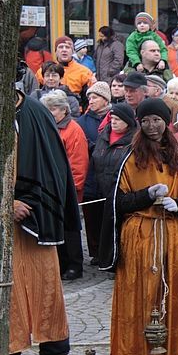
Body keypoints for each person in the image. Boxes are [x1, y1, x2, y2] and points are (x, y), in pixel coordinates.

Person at [99, 98, 178, 355]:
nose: (151, 126)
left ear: (166, 122)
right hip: (140, 236)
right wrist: (146, 195)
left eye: (156, 120)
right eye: (145, 121)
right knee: (140, 296)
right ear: (139, 124)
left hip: (173, 235)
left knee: (171, 298)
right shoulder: (129, 157)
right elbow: (116, 203)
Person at [10, 92, 83, 355]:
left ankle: (55, 352)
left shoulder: (35, 113)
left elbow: (54, 168)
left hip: (36, 218)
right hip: (1, 226)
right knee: (8, 290)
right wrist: (6, 202)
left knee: (47, 284)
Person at [39, 90, 89, 280]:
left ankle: (74, 265)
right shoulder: (48, 127)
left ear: (64, 110)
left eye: (53, 109)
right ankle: (60, 263)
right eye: (48, 109)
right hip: (52, 187)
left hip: (68, 188)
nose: (50, 112)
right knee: (56, 226)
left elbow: (79, 162)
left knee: (70, 228)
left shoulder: (73, 130)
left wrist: (74, 187)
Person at [78, 82, 112, 263]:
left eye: (95, 97)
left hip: (107, 173)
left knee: (107, 214)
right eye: (89, 97)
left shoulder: (114, 117)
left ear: (105, 99)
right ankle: (95, 251)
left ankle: (107, 250)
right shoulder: (82, 121)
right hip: (91, 172)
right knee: (91, 214)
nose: (91, 100)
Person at [91, 103, 137, 220]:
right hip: (98, 193)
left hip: (121, 195)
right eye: (112, 119)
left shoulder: (135, 140)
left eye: (118, 119)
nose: (113, 122)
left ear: (128, 122)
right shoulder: (103, 135)